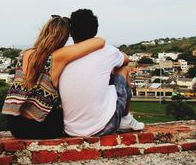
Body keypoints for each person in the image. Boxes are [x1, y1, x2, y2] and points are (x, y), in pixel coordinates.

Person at [2, 15, 105, 139]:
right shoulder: (57, 57)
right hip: (42, 127)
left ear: (44, 31)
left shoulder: (24, 54)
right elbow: (100, 41)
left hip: (16, 126)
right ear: (64, 37)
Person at [59, 9, 144, 137]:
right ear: (96, 30)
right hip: (105, 127)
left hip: (69, 129)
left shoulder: (63, 54)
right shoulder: (106, 50)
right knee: (122, 68)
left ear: (71, 32)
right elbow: (126, 59)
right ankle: (126, 119)